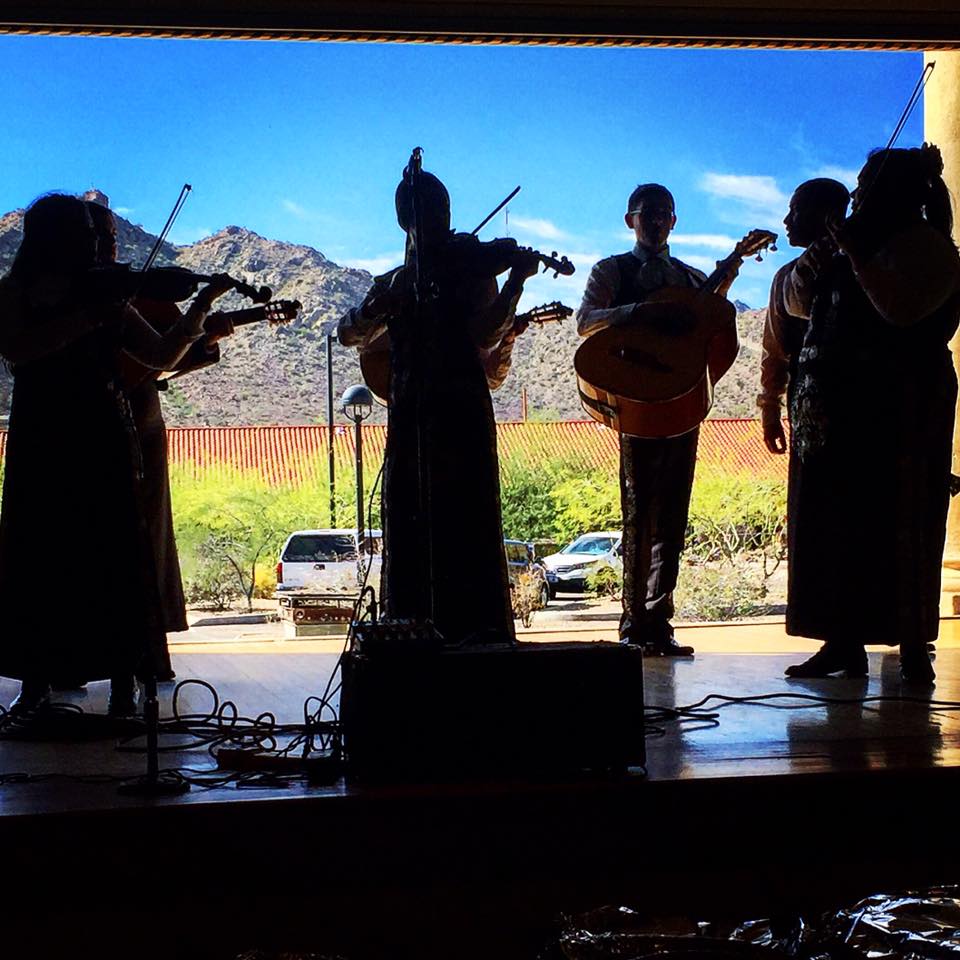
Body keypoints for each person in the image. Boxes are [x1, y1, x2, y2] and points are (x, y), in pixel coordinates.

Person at [0, 193, 231, 716]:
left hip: (103, 433)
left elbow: (157, 355)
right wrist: (90, 317)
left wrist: (199, 310)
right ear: (55, 238)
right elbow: (18, 347)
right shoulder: (15, 293)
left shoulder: (110, 297)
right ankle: (35, 685)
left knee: (115, 558)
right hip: (43, 439)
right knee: (42, 558)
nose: (93, 242)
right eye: (83, 230)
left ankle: (126, 685)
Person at [337, 164, 539, 645]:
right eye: (430, 211)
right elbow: (349, 332)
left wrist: (515, 283)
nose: (443, 221)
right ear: (407, 219)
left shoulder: (471, 269)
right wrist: (381, 306)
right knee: (412, 512)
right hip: (412, 410)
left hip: (464, 406)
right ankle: (413, 626)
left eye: (445, 210)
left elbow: (487, 334)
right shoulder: (394, 282)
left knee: (469, 513)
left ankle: (480, 629)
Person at [782, 145, 960, 683]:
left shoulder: (932, 249)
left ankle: (910, 647)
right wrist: (814, 262)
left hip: (903, 410)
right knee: (839, 526)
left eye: (867, 181)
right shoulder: (845, 247)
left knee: (901, 523)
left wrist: (855, 254)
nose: (858, 192)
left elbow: (898, 309)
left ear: (896, 190)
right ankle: (843, 643)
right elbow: (795, 305)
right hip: (840, 415)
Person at [577, 183, 742, 656]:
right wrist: (639, 312)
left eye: (664, 213)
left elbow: (705, 328)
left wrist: (719, 288)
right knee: (638, 514)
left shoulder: (691, 278)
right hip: (634, 405)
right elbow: (587, 320)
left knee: (673, 516)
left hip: (680, 406)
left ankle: (660, 623)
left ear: (674, 221)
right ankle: (633, 625)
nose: (655, 221)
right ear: (630, 220)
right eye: (647, 213)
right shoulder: (612, 270)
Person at [86, 199, 235, 683]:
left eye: (111, 238)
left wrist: (202, 329)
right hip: (79, 425)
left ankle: (135, 666)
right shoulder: (62, 296)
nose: (109, 248)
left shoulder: (125, 301)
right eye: (99, 237)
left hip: (138, 423)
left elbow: (161, 359)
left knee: (140, 539)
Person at [757, 179, 850, 454]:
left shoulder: (858, 268)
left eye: (796, 210)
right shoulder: (785, 276)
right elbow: (774, 350)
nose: (787, 220)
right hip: (805, 403)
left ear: (826, 215)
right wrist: (770, 408)